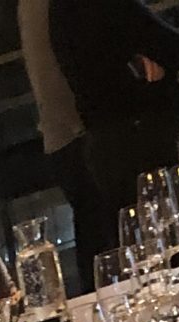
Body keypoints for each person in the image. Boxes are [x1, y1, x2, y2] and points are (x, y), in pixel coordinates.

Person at [49, 0, 179, 241]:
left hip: (103, 137)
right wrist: (148, 68)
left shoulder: (59, 10)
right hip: (140, 132)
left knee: (130, 236)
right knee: (168, 232)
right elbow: (174, 46)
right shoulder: (107, 6)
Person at [18, 0, 107, 291]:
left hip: (63, 133)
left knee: (93, 233)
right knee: (102, 239)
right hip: (78, 132)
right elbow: (55, 74)